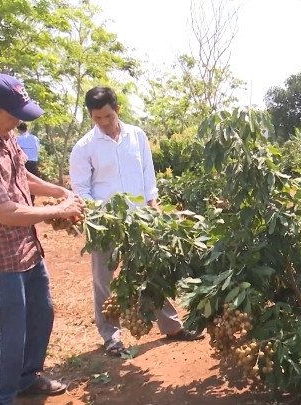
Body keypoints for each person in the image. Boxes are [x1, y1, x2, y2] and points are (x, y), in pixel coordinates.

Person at [0, 73, 86, 405]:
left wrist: (60, 191)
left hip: (26, 247)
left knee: (42, 313)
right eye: (11, 114)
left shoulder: (1, 133)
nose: (16, 122)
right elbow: (6, 212)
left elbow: (20, 174)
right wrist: (57, 211)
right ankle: (0, 397)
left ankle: (26, 378)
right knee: (7, 331)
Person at [69, 86, 204, 356]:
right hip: (105, 225)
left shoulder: (137, 136)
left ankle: (172, 327)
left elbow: (147, 175)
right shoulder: (84, 148)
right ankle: (112, 337)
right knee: (103, 281)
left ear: (117, 109)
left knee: (151, 273)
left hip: (141, 220)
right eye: (97, 119)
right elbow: (81, 190)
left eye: (108, 116)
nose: (104, 123)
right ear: (91, 116)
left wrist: (153, 207)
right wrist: (103, 215)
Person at [16, 122, 41, 204]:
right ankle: (32, 202)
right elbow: (38, 150)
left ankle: (26, 202)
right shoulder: (34, 138)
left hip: (24, 164)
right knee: (33, 182)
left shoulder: (18, 139)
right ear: (27, 128)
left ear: (18, 129)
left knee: (23, 183)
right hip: (34, 163)